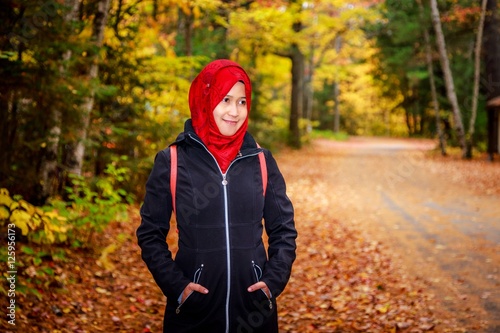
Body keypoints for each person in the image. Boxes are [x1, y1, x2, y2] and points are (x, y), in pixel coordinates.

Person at [136, 59, 297, 333]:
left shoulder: (261, 160)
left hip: (254, 313)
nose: (234, 111)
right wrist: (177, 287)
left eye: (242, 101)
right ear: (205, 99)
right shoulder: (172, 160)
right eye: (225, 99)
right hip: (192, 315)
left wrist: (273, 282)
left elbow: (283, 229)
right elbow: (150, 234)